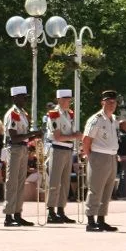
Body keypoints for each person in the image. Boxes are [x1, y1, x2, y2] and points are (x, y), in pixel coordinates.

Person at [3, 86, 41, 227]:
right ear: (14, 98)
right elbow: (13, 137)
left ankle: (17, 213)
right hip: (14, 148)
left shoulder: (23, 113)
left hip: (22, 148)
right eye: (22, 97)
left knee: (20, 183)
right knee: (12, 182)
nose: (25, 99)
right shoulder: (13, 114)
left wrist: (32, 136)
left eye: (25, 97)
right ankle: (8, 215)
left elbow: (23, 136)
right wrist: (32, 134)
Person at [82, 90, 121, 232]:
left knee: (107, 190)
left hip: (111, 157)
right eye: (109, 102)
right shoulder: (97, 119)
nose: (112, 105)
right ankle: (91, 221)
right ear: (102, 103)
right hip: (98, 156)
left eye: (114, 102)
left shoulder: (114, 119)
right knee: (95, 189)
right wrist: (90, 157)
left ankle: (101, 219)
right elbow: (86, 140)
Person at [45, 89, 81, 223]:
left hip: (68, 149)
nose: (68, 102)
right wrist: (74, 136)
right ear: (59, 100)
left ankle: (61, 210)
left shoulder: (69, 114)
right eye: (66, 99)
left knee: (65, 183)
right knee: (54, 181)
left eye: (69, 99)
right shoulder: (54, 114)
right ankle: (51, 211)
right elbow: (58, 136)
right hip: (58, 148)